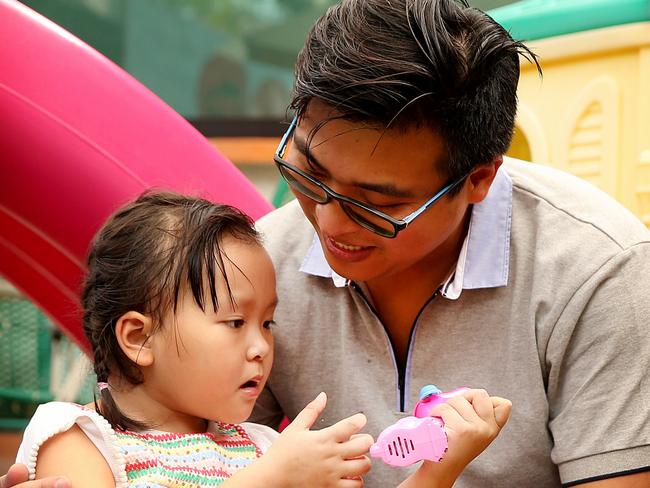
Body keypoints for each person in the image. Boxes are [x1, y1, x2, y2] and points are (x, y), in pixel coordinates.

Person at [246, 0, 650, 487]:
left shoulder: (597, 272)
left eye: (378, 204)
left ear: (478, 179)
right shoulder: (257, 267)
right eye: (310, 173)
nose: (330, 222)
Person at [2, 191, 511, 488]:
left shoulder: (263, 447)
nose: (261, 346)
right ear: (139, 337)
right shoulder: (78, 438)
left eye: (267, 322)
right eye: (234, 322)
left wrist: (438, 469)